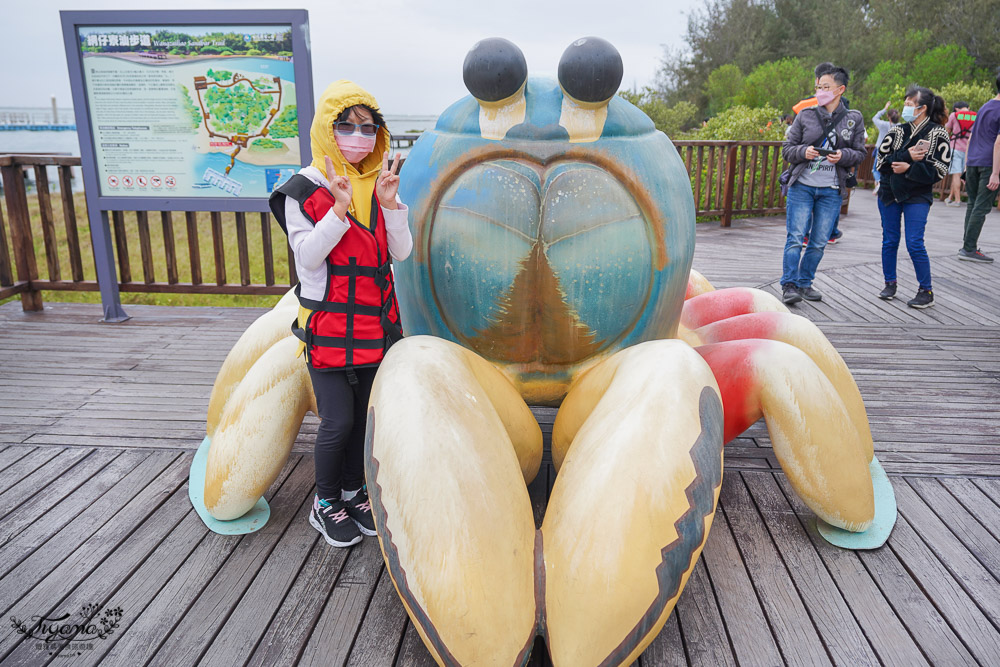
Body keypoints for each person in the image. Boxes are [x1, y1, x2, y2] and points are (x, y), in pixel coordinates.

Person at [268, 80, 413, 547]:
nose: (358, 136)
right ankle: (325, 500)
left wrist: (390, 208)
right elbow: (308, 257)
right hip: (328, 328)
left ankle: (355, 492)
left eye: (368, 128)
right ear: (327, 131)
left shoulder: (377, 187)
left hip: (374, 326)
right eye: (346, 126)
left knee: (363, 418)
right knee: (337, 422)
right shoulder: (301, 190)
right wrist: (338, 209)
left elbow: (401, 253)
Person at [780, 66, 866, 305]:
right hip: (802, 186)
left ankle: (805, 283)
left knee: (818, 241)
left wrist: (842, 155)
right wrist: (802, 151)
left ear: (840, 89)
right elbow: (787, 150)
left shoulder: (853, 118)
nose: (820, 91)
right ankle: (789, 285)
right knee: (796, 237)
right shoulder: (805, 115)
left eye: (825, 87)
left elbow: (860, 153)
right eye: (818, 86)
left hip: (831, 190)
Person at [874, 85, 951, 309]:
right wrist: (907, 156)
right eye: (906, 103)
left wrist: (907, 168)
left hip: (918, 195)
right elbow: (881, 162)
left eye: (910, 104)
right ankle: (890, 283)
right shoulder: (897, 131)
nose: (906, 107)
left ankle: (925, 290)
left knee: (915, 242)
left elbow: (939, 170)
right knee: (889, 239)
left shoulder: (938, 133)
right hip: (889, 192)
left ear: (923, 108)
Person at [959, 68, 1000, 263]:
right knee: (982, 207)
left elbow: (971, 138)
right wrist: (996, 173)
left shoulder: (984, 107)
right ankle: (969, 249)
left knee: (972, 204)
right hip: (988, 164)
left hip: (973, 161)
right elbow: (999, 142)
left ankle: (967, 246)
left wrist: (967, 165)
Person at [944, 101, 975, 206]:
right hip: (968, 149)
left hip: (955, 147)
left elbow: (947, 130)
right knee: (960, 174)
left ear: (956, 108)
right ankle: (950, 197)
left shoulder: (954, 115)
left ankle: (957, 200)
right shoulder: (975, 116)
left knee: (956, 174)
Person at [871, 102, 900, 196]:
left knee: (875, 169)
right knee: (887, 169)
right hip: (893, 151)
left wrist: (884, 108)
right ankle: (885, 186)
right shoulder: (900, 126)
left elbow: (874, 118)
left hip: (881, 149)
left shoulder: (884, 125)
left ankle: (879, 183)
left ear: (888, 116)